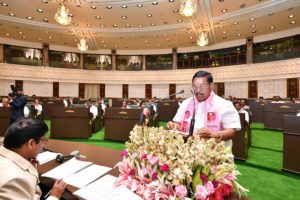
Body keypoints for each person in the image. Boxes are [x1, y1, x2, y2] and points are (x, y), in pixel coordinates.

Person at [167, 70, 241, 147]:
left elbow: (232, 131)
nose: (198, 90)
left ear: (211, 85)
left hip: (214, 153)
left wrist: (213, 134)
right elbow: (178, 124)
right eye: (195, 86)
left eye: (202, 86)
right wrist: (174, 126)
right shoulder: (185, 103)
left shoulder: (224, 104)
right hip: (189, 151)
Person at [0, 118, 67, 199]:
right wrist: (54, 196)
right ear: (31, 143)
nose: (43, 145)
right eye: (43, 140)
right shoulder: (15, 180)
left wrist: (28, 168)